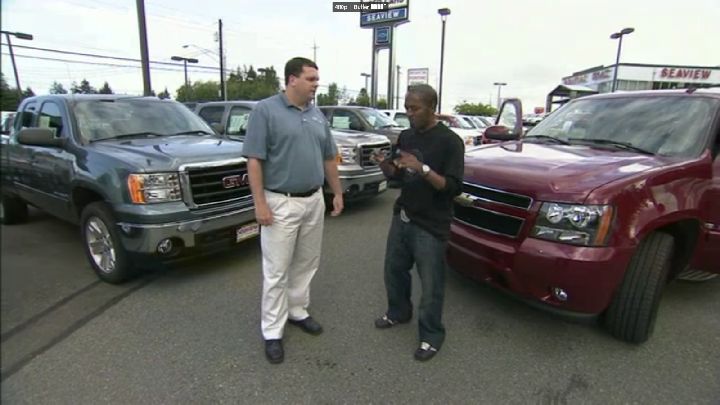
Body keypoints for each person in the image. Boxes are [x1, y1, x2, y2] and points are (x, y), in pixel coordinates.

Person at [242, 57, 343, 364]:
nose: (316, 84)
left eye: (317, 78)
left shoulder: (316, 114)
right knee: (276, 270)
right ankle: (272, 331)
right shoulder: (266, 111)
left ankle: (297, 310)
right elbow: (254, 160)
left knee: (306, 263)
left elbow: (329, 156)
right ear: (291, 80)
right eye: (311, 78)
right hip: (280, 202)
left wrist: (336, 192)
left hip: (314, 200)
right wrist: (259, 203)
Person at [372, 84, 464, 361]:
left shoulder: (450, 141)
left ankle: (432, 335)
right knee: (394, 270)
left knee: (431, 284)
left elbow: (452, 187)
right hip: (403, 215)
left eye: (415, 108)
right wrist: (385, 166)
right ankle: (399, 312)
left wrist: (421, 168)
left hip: (431, 223)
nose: (409, 113)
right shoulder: (406, 135)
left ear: (432, 107)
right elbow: (398, 177)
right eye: (407, 107)